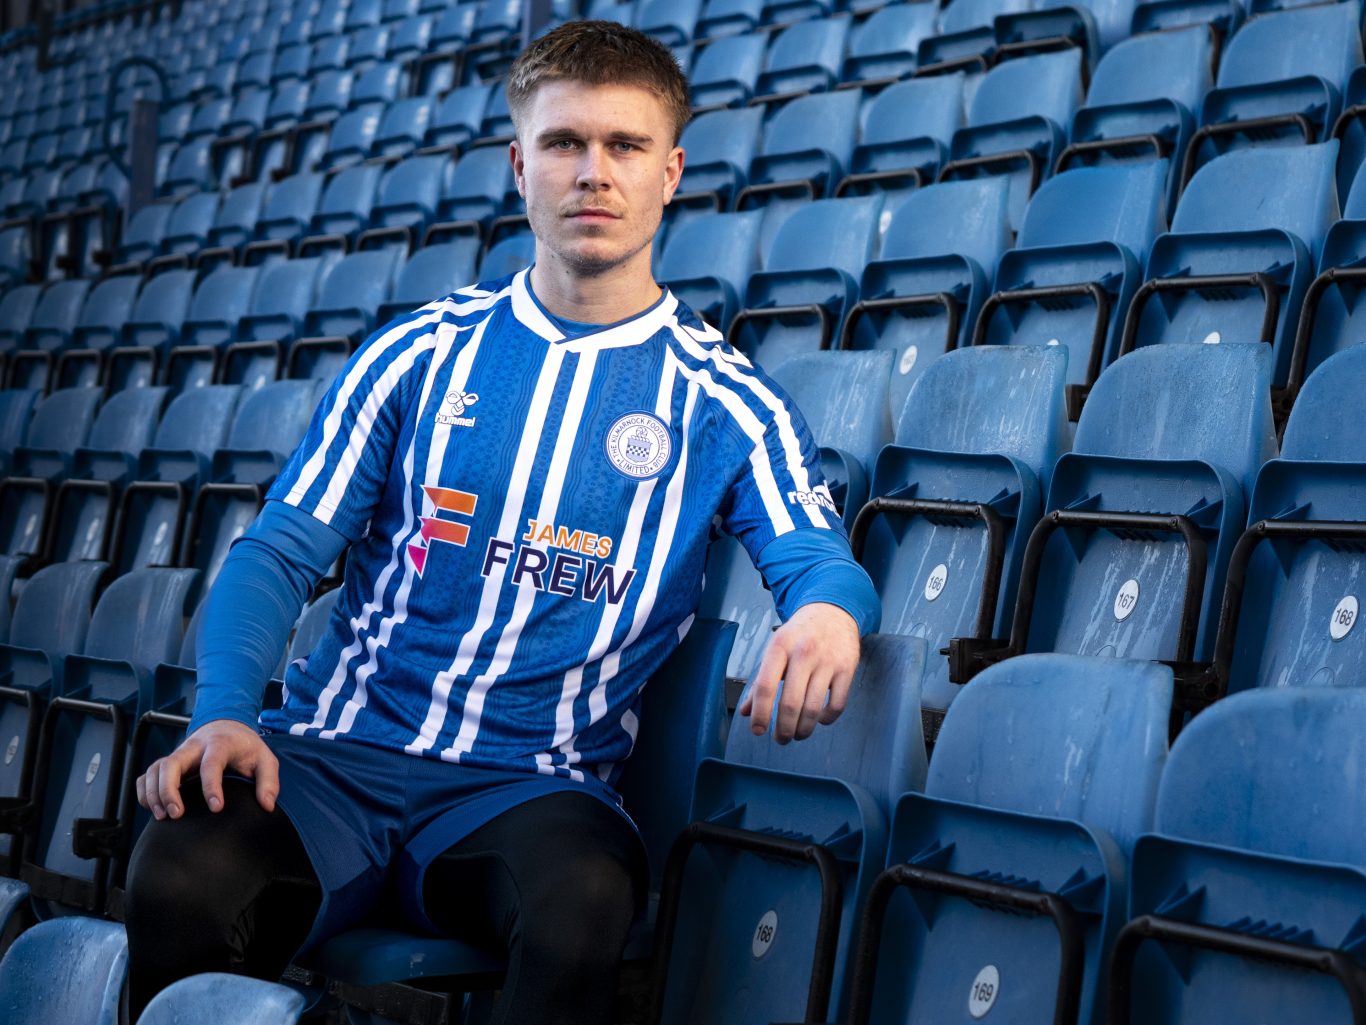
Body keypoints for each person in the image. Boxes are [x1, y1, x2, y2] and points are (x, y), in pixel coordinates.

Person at [125, 20, 880, 1024]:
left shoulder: (727, 403)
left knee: (582, 901)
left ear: (670, 173)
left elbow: (815, 557)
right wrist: (223, 710)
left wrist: (829, 611)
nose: (593, 172)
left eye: (625, 145)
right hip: (331, 762)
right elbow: (278, 552)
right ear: (520, 166)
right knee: (179, 864)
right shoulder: (417, 354)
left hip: (527, 789)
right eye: (564, 143)